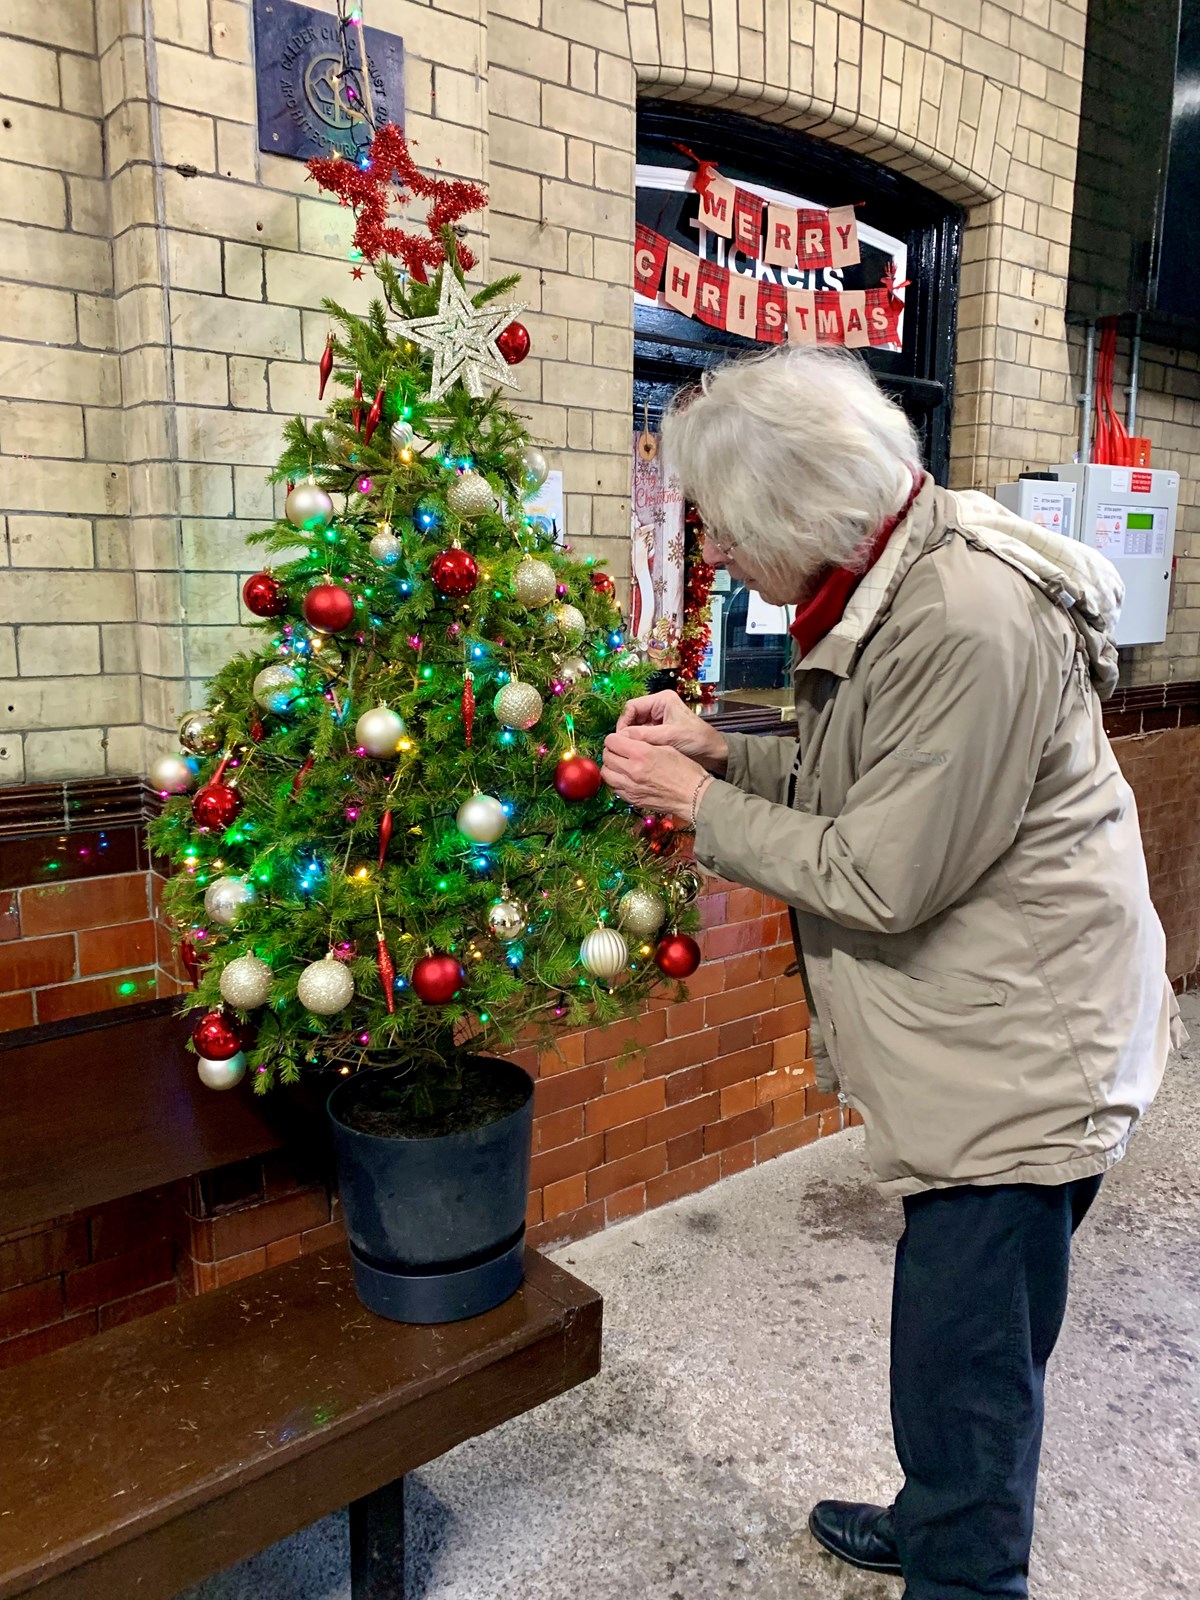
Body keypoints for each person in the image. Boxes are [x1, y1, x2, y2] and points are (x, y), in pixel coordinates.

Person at [600, 346, 1181, 1600]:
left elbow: (878, 872)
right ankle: (937, 1517)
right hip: (984, 1040)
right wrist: (722, 741)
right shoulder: (893, 574)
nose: (717, 553)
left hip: (1026, 1061)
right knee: (963, 1346)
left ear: (793, 513)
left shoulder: (964, 615)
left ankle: (961, 1563)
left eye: (721, 525)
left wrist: (695, 796)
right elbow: (865, 764)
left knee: (964, 1366)